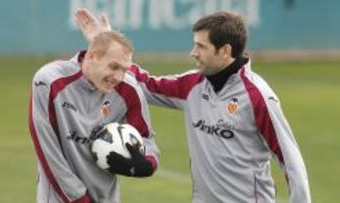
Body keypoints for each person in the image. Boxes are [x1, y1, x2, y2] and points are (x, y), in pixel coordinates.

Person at [77, 8, 311, 203]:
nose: (193, 53)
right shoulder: (193, 85)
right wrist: (107, 47)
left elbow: (291, 161)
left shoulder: (257, 97)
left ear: (225, 50)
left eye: (201, 46)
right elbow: (144, 84)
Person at [29, 30, 160, 203]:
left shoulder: (130, 90)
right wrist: (79, 199)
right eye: (113, 67)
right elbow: (48, 152)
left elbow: (145, 137)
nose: (119, 77)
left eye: (124, 69)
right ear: (91, 56)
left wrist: (148, 163)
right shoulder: (50, 81)